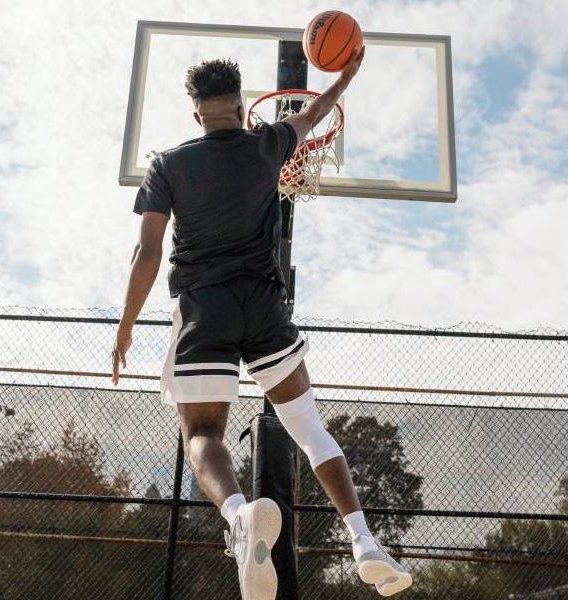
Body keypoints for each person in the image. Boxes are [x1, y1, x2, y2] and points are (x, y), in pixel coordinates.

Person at [110, 48, 411, 599]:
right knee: (307, 425)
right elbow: (314, 113)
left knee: (202, 433)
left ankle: (237, 513)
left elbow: (147, 253)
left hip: (205, 309)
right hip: (266, 305)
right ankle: (363, 539)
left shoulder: (167, 165)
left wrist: (125, 326)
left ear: (195, 111)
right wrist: (344, 77)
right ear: (242, 104)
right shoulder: (268, 143)